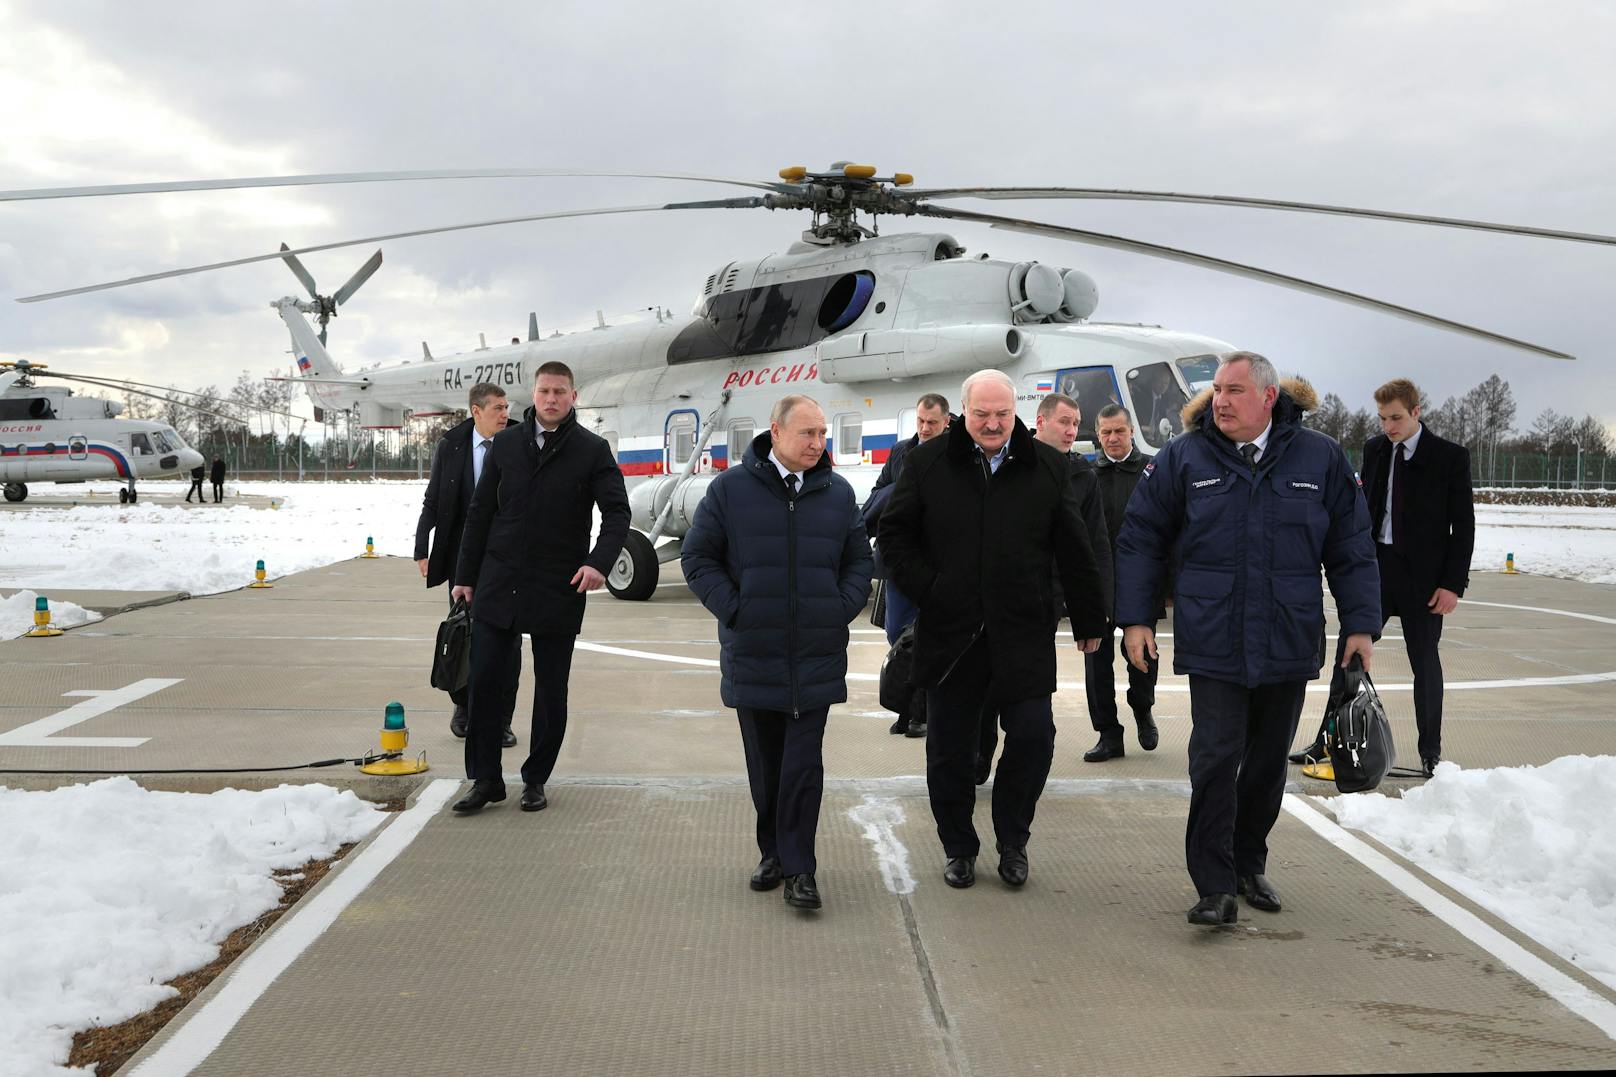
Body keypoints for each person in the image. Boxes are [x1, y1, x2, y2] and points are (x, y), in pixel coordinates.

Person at [1114, 352, 1379, 926]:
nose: (1221, 401)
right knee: (1213, 759)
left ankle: (1247, 862)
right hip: (1214, 635)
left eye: (1234, 390)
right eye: (1216, 390)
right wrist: (1135, 619)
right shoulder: (1184, 457)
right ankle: (1213, 884)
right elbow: (1140, 538)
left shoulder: (1322, 458)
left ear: (1267, 397)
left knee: (1265, 763)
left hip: (1288, 633)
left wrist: (1360, 624)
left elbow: (1352, 545)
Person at [880, 369, 1107, 890]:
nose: (993, 423)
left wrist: (1090, 616)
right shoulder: (927, 462)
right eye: (982, 414)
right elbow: (893, 535)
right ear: (965, 412)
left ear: (1017, 414)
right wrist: (931, 589)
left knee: (1034, 739)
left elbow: (1076, 547)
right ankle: (958, 845)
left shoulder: (1047, 467)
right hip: (952, 635)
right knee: (950, 750)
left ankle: (1013, 840)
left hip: (1022, 631)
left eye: (1002, 414)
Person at [682, 394, 873, 911]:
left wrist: (839, 607)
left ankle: (800, 869)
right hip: (755, 652)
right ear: (776, 432)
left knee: (802, 766)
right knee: (765, 765)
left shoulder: (837, 495)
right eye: (807, 434)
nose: (818, 444)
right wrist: (735, 609)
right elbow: (698, 557)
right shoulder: (729, 490)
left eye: (822, 435)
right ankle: (773, 852)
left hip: (815, 653)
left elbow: (860, 561)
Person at [449, 361, 630, 815]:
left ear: (573, 397)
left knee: (551, 689)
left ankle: (536, 779)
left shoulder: (592, 449)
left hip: (559, 583)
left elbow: (617, 514)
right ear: (534, 393)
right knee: (485, 684)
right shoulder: (506, 444)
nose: (552, 399)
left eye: (561, 392)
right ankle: (486, 779)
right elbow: (479, 513)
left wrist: (598, 563)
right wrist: (465, 577)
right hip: (499, 581)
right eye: (545, 391)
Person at [1289, 378, 1474, 777]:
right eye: (1383, 418)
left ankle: (1431, 753)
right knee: (1349, 657)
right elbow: (1359, 512)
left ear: (1416, 412)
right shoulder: (1375, 450)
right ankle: (1327, 741)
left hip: (1425, 581)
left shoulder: (1449, 457)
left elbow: (1464, 526)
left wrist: (1452, 585)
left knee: (1424, 663)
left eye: (1396, 418)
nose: (1389, 426)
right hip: (1377, 572)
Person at [976, 392, 1113, 783]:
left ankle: (1018, 763)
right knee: (985, 683)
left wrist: (1097, 606)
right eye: (1064, 422)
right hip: (999, 595)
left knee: (1028, 692)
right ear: (1041, 421)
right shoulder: (1011, 464)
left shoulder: (1083, 475)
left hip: (1045, 601)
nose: (1071, 431)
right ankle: (981, 748)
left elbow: (1094, 545)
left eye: (1075, 424)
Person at [414, 383, 518, 744]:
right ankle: (464, 707)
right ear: (476, 411)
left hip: (509, 558)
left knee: (508, 641)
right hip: (463, 557)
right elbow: (433, 499)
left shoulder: (520, 439)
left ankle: (501, 719)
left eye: (507, 407)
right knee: (463, 634)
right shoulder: (452, 445)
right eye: (497, 409)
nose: (505, 414)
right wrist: (421, 548)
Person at [861, 393, 950, 737]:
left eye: (932, 423)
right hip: (898, 562)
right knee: (897, 633)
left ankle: (919, 712)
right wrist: (901, 487)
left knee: (927, 636)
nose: (925, 429)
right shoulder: (900, 452)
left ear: (946, 422)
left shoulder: (954, 455)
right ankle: (908, 704)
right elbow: (877, 494)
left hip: (935, 563)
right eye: (920, 421)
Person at [1083, 403, 1161, 762]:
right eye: (1106, 432)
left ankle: (1143, 710)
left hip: (1138, 581)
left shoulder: (1152, 471)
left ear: (1132, 431)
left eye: (1120, 431)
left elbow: (1169, 529)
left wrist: (1168, 585)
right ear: (1097, 435)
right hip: (1096, 584)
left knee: (1143, 658)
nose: (1113, 438)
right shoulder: (1085, 474)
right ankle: (1108, 735)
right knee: (1095, 666)